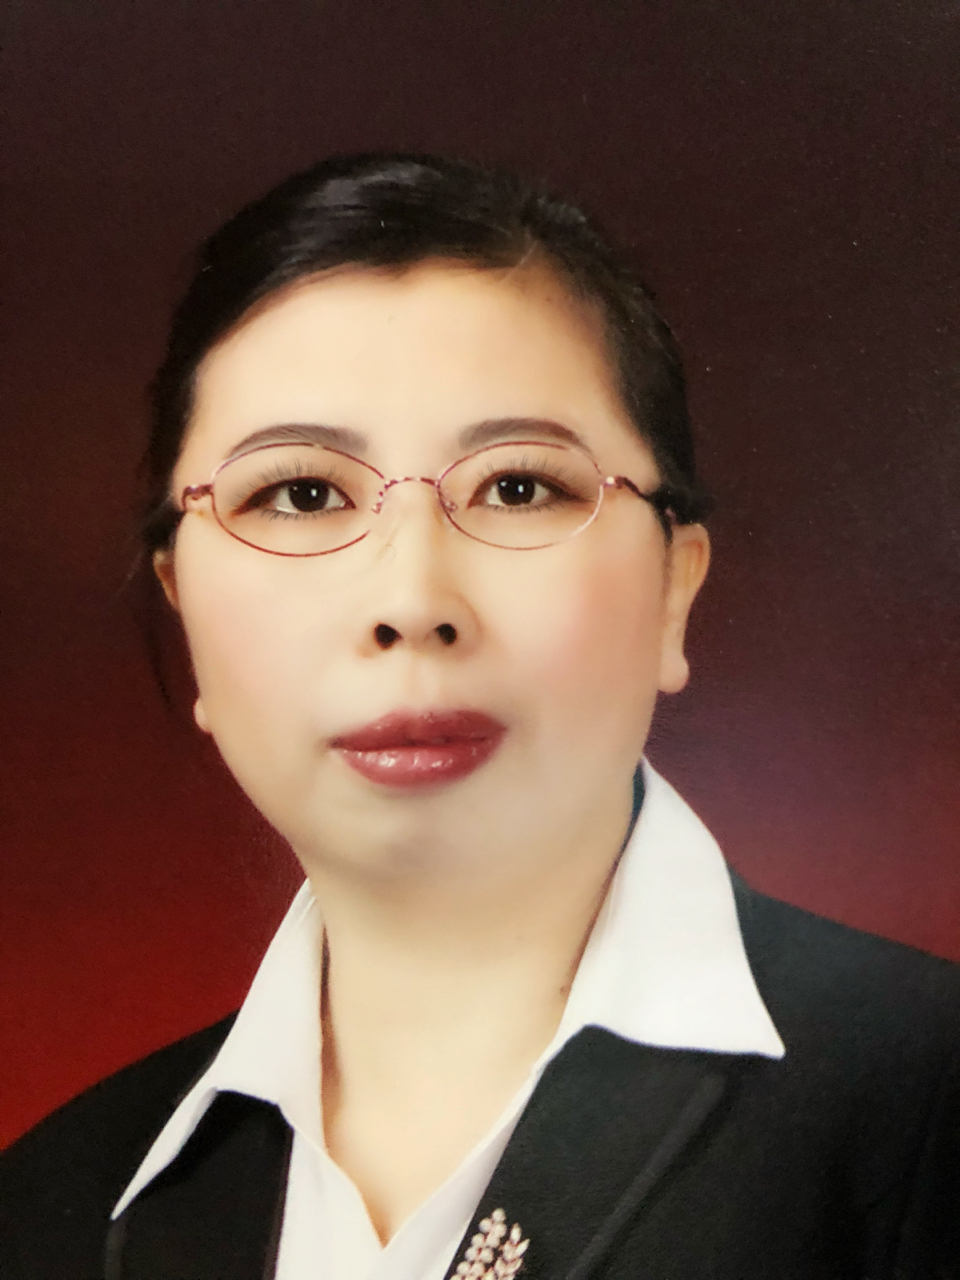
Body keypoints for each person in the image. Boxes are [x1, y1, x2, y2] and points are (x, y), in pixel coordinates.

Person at [2, 153, 957, 1280]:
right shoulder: (50, 1205)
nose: (412, 602)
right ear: (183, 609)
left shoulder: (925, 1092)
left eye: (518, 486)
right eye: (301, 494)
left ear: (674, 588)